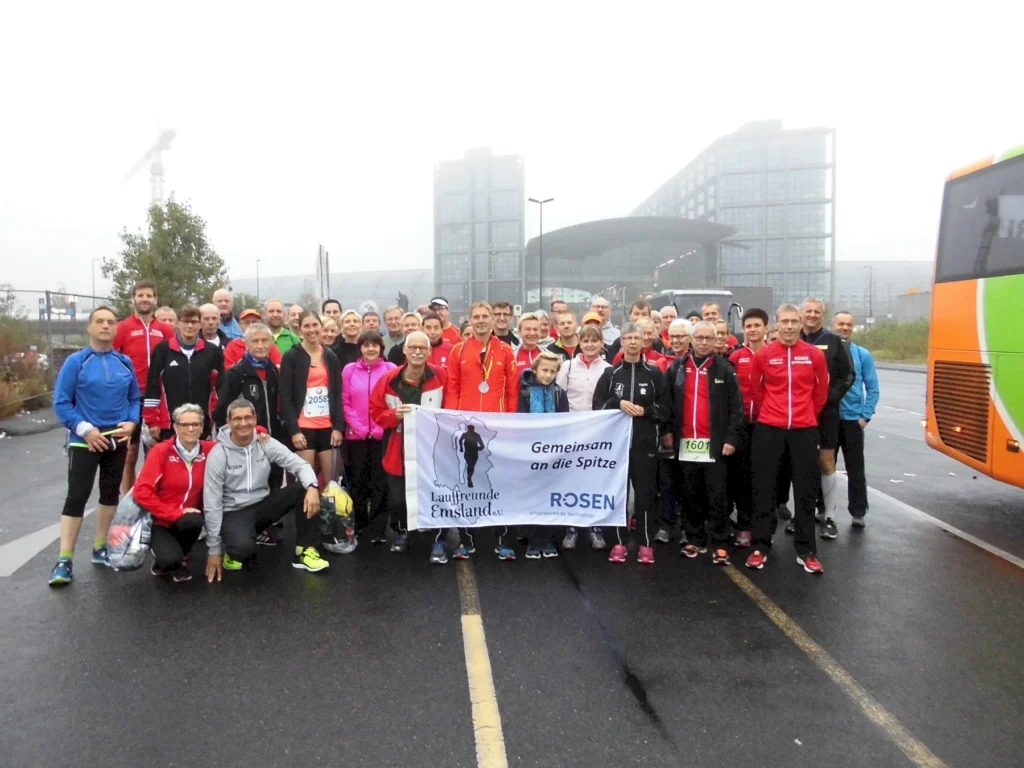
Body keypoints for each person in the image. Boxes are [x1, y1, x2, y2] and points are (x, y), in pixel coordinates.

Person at [49, 306, 141, 585]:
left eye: (111, 322)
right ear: (89, 327)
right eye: (99, 321)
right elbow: (61, 403)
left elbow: (134, 398)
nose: (105, 326)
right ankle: (64, 559)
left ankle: (100, 547)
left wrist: (132, 422)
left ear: (116, 329)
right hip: (84, 442)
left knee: (110, 494)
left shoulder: (124, 362)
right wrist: (85, 430)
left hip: (116, 439)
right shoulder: (77, 362)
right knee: (77, 496)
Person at [744, 304, 829, 575]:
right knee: (764, 489)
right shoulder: (764, 356)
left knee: (805, 491)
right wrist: (776, 415)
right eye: (785, 322)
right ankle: (760, 545)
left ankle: (806, 550)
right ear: (776, 325)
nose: (790, 327)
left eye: (795, 321)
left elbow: (821, 393)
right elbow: (756, 391)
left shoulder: (814, 355)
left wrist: (804, 417)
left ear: (801, 324)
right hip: (769, 430)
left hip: (804, 430)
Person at [203, 399, 329, 579]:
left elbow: (300, 465)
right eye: (237, 419)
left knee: (304, 487)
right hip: (234, 511)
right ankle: (232, 547)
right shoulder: (219, 454)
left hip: (262, 506)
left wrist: (312, 486)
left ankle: (305, 550)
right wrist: (214, 550)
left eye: (248, 417)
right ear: (228, 422)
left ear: (255, 419)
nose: (243, 423)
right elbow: (212, 502)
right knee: (243, 551)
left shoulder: (265, 443)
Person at [370, 331, 462, 563]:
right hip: (398, 449)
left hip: (435, 450)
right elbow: (375, 411)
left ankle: (439, 540)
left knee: (438, 496)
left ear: (429, 351)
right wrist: (393, 415)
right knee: (399, 499)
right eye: (413, 348)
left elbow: (452, 406)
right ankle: (405, 532)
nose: (418, 352)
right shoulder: (389, 379)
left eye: (423, 348)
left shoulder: (441, 375)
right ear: (405, 350)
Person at [445, 301, 520, 559]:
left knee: (500, 482)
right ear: (470, 320)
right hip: (467, 428)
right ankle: (466, 540)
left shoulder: (507, 351)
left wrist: (509, 423)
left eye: (484, 316)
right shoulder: (458, 351)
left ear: (492, 320)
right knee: (466, 481)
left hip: (497, 428)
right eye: (475, 317)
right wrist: (451, 422)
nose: (480, 321)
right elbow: (452, 388)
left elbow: (512, 390)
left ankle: (503, 539)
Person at [665, 321, 743, 565]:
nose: (703, 342)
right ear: (691, 339)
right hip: (686, 442)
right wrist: (667, 431)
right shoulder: (677, 367)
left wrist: (731, 438)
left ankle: (720, 541)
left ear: (715, 340)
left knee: (717, 494)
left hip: (715, 444)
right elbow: (667, 403)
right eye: (699, 337)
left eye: (709, 338)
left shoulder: (724, 369)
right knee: (690, 493)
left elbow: (736, 408)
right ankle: (695, 539)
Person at [593, 322, 671, 565]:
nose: (633, 342)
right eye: (628, 338)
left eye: (638, 337)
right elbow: (597, 406)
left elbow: (665, 409)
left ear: (644, 341)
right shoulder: (611, 374)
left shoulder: (654, 372)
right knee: (619, 494)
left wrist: (646, 410)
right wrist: (618, 404)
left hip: (645, 443)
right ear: (622, 341)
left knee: (646, 495)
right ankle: (618, 541)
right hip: (617, 445)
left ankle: (646, 543)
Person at [134, 403, 215, 581]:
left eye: (196, 424)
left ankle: (181, 557)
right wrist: (173, 513)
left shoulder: (210, 449)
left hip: (189, 519)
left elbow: (236, 440)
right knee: (169, 559)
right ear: (176, 427)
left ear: (202, 427)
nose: (191, 428)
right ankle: (166, 560)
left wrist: (261, 432)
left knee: (194, 520)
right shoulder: (161, 451)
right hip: (160, 520)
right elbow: (141, 491)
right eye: (185, 424)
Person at [113, 279, 175, 494]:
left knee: (155, 453)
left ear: (155, 300)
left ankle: (152, 500)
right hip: (129, 398)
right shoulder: (122, 328)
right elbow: (113, 359)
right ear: (133, 299)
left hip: (157, 398)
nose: (145, 299)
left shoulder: (165, 330)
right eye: (141, 295)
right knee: (129, 454)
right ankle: (127, 501)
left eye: (149, 295)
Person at [800, 297, 854, 540]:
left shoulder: (835, 341)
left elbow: (848, 375)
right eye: (808, 311)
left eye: (816, 312)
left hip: (827, 414)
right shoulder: (792, 338)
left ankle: (829, 517)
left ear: (823, 315)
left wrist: (830, 396)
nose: (811, 315)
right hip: (799, 413)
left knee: (826, 463)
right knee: (799, 464)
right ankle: (803, 515)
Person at [556, 324, 612, 550]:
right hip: (572, 431)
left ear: (601, 343)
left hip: (599, 433)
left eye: (594, 341)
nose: (590, 345)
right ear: (580, 342)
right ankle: (571, 527)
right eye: (586, 340)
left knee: (595, 480)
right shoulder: (568, 367)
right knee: (572, 479)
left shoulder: (609, 369)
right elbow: (559, 396)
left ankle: (595, 527)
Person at [280, 311, 344, 489]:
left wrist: (338, 427)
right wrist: (294, 430)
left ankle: (329, 516)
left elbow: (337, 393)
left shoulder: (330, 357)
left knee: (331, 484)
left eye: (315, 325)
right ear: (300, 330)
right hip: (303, 428)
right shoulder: (291, 357)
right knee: (306, 485)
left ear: (321, 327)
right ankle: (304, 517)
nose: (311, 330)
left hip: (327, 427)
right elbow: (285, 396)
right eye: (306, 326)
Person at [343, 329, 396, 542]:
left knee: (380, 483)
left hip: (382, 436)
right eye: (366, 345)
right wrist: (360, 428)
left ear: (381, 348)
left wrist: (379, 428)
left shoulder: (390, 368)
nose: (371, 348)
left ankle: (378, 528)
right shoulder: (348, 370)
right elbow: (344, 401)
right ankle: (360, 523)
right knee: (358, 482)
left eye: (375, 345)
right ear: (360, 348)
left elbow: (394, 400)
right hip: (356, 437)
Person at [144, 304, 224, 441]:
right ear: (177, 324)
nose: (190, 326)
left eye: (194, 322)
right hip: (169, 425)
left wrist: (217, 418)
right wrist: (152, 421)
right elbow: (153, 387)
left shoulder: (212, 352)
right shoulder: (163, 350)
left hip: (201, 424)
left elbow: (220, 388)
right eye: (185, 321)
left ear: (200, 324)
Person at [517, 351, 569, 559]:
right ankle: (533, 540)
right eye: (544, 370)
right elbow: (519, 421)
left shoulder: (559, 393)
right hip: (530, 453)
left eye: (552, 371)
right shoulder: (524, 393)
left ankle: (548, 540)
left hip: (552, 454)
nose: (548, 375)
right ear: (535, 369)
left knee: (550, 497)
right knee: (532, 496)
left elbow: (566, 422)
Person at [727, 308, 770, 548]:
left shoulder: (773, 354)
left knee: (764, 477)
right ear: (743, 329)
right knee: (742, 477)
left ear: (766, 328)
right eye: (749, 326)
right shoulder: (736, 357)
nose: (753, 330)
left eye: (757, 325)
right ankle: (743, 526)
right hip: (742, 424)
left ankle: (764, 526)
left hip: (767, 425)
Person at [833, 311, 879, 528]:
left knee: (855, 468)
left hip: (852, 421)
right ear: (833, 325)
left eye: (848, 324)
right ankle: (823, 509)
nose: (844, 327)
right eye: (840, 324)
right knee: (824, 468)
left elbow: (873, 388)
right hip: (829, 419)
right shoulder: (826, 352)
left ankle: (858, 511)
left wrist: (865, 416)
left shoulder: (862, 355)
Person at [650, 318, 694, 543]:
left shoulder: (700, 362)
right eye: (673, 336)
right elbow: (663, 401)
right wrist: (666, 429)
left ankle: (689, 528)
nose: (676, 340)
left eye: (681, 336)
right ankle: (665, 525)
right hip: (670, 432)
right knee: (667, 480)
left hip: (695, 433)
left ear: (691, 338)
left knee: (690, 482)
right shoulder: (663, 364)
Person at [214, 323, 285, 442]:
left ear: (271, 343)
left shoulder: (273, 371)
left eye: (264, 341)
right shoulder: (236, 373)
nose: (260, 345)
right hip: (245, 439)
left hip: (272, 437)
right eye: (255, 341)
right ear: (246, 345)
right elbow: (223, 410)